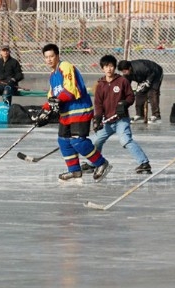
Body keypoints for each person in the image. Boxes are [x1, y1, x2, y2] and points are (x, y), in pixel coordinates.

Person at [35, 43, 111, 183]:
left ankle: (101, 163)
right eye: (46, 57)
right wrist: (44, 112)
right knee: (63, 141)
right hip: (66, 113)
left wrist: (56, 101)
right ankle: (74, 170)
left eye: (52, 56)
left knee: (77, 141)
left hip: (79, 109)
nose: (49, 59)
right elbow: (52, 97)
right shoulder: (52, 75)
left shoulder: (65, 66)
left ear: (57, 56)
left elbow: (70, 91)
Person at [84, 55, 151, 174]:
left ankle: (144, 163)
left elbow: (131, 97)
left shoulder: (122, 81)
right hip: (107, 120)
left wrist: (124, 104)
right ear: (102, 68)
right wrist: (98, 119)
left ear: (114, 67)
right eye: (106, 66)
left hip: (121, 119)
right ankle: (92, 163)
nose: (109, 69)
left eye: (111, 66)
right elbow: (98, 104)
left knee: (125, 140)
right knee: (96, 141)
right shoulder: (100, 84)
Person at [117, 59, 163, 124]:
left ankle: (156, 116)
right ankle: (140, 115)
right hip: (143, 76)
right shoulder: (127, 73)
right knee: (139, 93)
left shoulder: (140, 67)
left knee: (152, 93)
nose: (124, 73)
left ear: (129, 68)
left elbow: (152, 73)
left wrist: (148, 82)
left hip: (156, 73)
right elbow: (126, 85)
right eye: (122, 71)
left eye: (125, 71)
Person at [0, 45, 24, 119]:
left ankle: (6, 111)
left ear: (9, 52)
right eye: (3, 51)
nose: (5, 52)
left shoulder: (14, 62)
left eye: (7, 50)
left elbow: (20, 75)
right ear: (0, 52)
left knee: (6, 91)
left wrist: (13, 79)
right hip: (0, 84)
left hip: (11, 85)